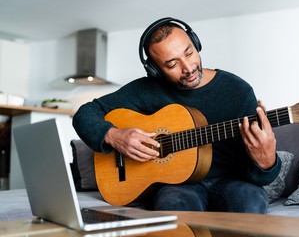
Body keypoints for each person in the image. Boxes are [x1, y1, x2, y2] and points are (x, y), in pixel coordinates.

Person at [72, 17, 281, 213]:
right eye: (172, 64)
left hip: (232, 182)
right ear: (155, 70)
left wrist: (266, 161)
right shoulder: (146, 90)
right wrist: (115, 136)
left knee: (252, 202)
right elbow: (84, 114)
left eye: (189, 53)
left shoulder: (237, 90)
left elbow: (261, 177)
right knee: (172, 207)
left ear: (196, 44)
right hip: (178, 186)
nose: (188, 68)